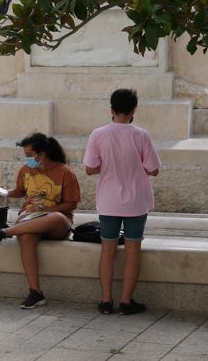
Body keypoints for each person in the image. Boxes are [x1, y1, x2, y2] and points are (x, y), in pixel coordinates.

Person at [84, 89, 161, 315]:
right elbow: (154, 170)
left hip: (109, 202)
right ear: (133, 110)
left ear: (111, 109)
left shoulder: (98, 134)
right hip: (136, 202)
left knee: (107, 250)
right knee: (133, 251)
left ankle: (106, 301)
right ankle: (126, 302)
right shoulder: (142, 135)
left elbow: (90, 169)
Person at [0, 132, 81, 309]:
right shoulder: (25, 170)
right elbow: (20, 191)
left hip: (55, 221)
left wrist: (47, 210)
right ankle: (35, 292)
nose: (27, 159)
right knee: (27, 237)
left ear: (41, 154)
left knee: (57, 217)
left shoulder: (65, 172)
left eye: (29, 155)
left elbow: (71, 204)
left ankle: (5, 232)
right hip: (29, 218)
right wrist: (5, 193)